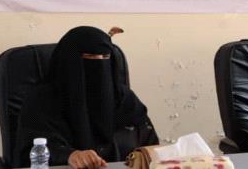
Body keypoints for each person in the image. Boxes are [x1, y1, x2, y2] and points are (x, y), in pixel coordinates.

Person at [14, 26, 158, 169]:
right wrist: (70, 155)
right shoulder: (42, 100)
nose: (99, 66)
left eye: (105, 57)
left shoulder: (122, 98)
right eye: (89, 58)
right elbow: (29, 150)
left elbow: (151, 146)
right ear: (68, 62)